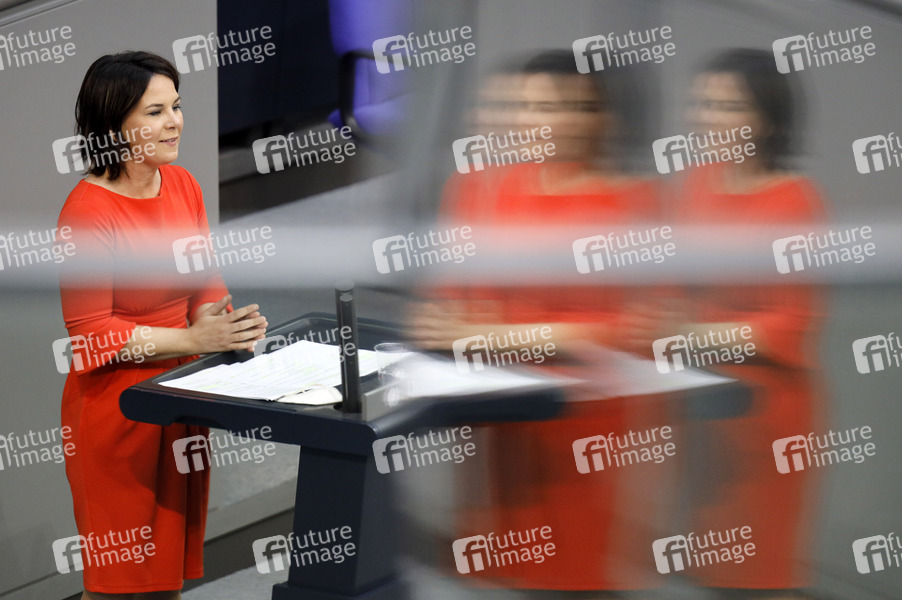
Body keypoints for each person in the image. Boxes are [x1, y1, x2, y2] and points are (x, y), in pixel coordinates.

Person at [412, 50, 669, 595]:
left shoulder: (633, 203)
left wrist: (493, 334)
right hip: (498, 403)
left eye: (553, 107)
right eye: (524, 105)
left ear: (601, 116)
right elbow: (453, 291)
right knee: (498, 563)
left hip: (581, 414)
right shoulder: (478, 186)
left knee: (571, 570)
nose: (531, 121)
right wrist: (450, 320)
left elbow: (624, 328)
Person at [57, 51, 268, 599]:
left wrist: (226, 325)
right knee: (117, 585)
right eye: (155, 112)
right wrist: (194, 339)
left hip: (180, 393)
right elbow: (91, 334)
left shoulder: (182, 184)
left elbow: (204, 282)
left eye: (176, 106)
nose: (174, 122)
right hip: (119, 409)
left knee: (164, 577)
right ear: (114, 125)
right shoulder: (87, 213)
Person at [667, 49, 825, 599]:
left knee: (753, 575)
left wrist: (695, 334)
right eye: (702, 103)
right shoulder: (698, 183)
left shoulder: (794, 202)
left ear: (767, 120)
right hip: (702, 402)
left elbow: (790, 324)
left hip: (764, 413)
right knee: (699, 567)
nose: (707, 117)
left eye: (727, 106)